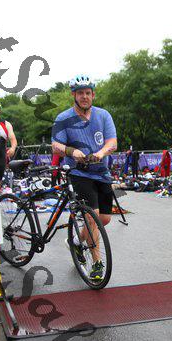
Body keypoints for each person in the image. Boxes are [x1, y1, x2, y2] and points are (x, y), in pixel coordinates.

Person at [51, 75, 118, 281]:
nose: (84, 96)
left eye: (88, 93)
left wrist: (101, 152)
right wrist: (72, 151)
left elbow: (112, 142)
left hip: (101, 172)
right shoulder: (63, 118)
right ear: (74, 95)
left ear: (93, 95)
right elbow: (55, 146)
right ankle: (97, 263)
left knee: (103, 219)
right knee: (92, 216)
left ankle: (77, 243)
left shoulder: (103, 115)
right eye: (80, 93)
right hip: (78, 173)